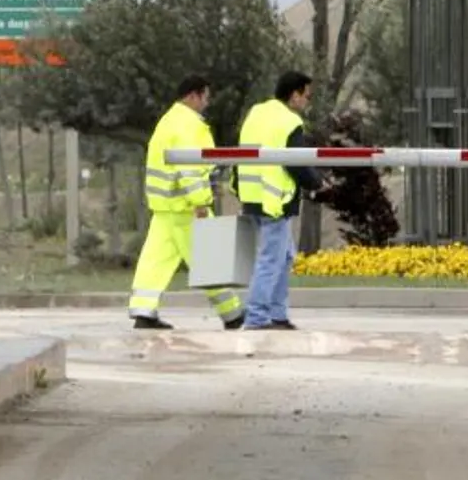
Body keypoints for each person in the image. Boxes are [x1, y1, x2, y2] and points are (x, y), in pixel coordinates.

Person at [128, 76, 247, 331]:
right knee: (210, 259)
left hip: (165, 206)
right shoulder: (188, 125)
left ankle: (143, 310)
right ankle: (233, 314)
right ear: (193, 96)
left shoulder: (168, 120)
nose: (207, 102)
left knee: (155, 260)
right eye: (206, 96)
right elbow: (190, 167)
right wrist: (201, 202)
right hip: (186, 206)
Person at [235, 71, 329, 330]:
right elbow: (296, 162)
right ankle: (256, 316)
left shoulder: (257, 113)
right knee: (271, 259)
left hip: (252, 195)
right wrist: (317, 183)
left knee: (284, 256)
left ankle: (277, 314)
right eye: (306, 96)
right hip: (274, 200)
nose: (307, 102)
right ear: (294, 94)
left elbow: (240, 149)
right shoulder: (289, 122)